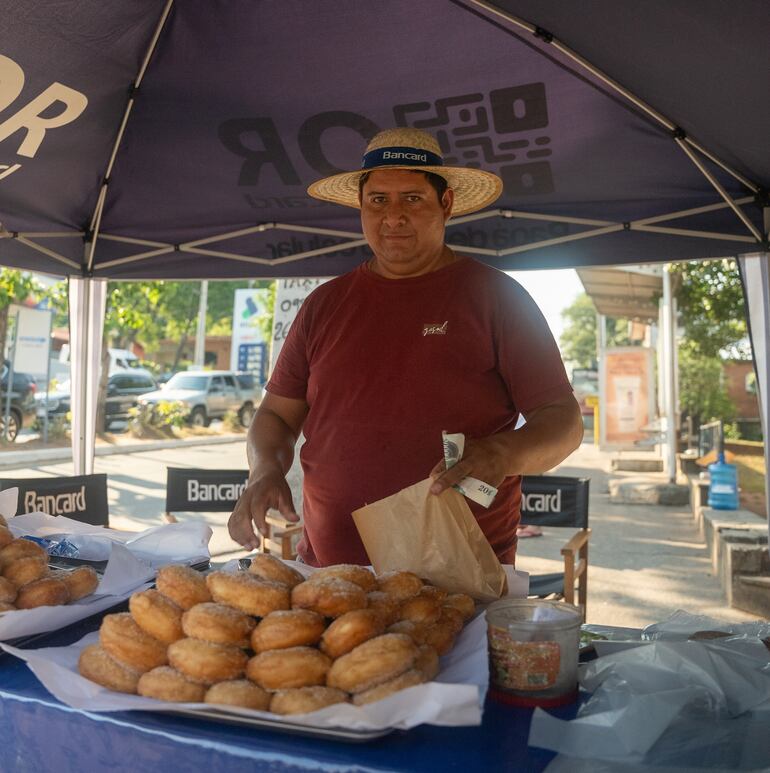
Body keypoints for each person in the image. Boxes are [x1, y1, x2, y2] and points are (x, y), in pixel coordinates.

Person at [228, 127, 583, 566]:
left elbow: (563, 422)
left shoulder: (498, 298)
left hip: (459, 582)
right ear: (361, 206)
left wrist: (501, 453)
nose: (393, 216)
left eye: (412, 199)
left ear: (446, 204)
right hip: (331, 576)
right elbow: (277, 415)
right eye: (378, 200)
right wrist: (264, 471)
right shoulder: (324, 304)